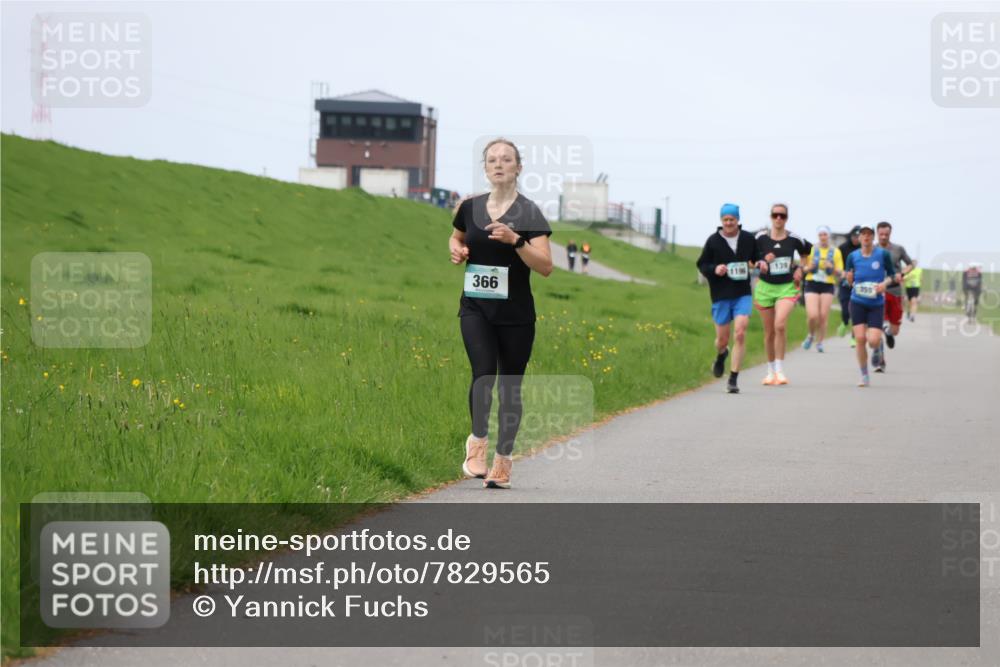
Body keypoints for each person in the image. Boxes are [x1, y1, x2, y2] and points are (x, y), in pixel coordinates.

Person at [449, 138, 553, 489]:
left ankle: (503, 460)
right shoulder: (469, 206)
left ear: (518, 168)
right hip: (475, 306)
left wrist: (516, 241)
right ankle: (476, 444)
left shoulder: (529, 213)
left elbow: (546, 266)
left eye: (506, 159)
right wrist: (458, 250)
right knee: (483, 375)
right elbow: (455, 237)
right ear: (485, 168)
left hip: (516, 314)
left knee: (510, 386)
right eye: (492, 159)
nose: (499, 164)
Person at [696, 203, 760, 394]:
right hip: (721, 295)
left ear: (738, 220)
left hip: (742, 293)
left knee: (740, 332)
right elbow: (702, 264)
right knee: (722, 340)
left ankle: (733, 379)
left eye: (732, 219)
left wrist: (761, 262)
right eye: (725, 219)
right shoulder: (713, 241)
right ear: (721, 221)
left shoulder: (748, 238)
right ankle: (722, 353)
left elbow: (757, 257)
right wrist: (714, 269)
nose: (729, 222)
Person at [754, 203, 812, 385]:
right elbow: (749, 259)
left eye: (782, 215)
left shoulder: (794, 238)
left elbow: (806, 254)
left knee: (780, 325)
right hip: (765, 287)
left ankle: (780, 371)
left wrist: (800, 270)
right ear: (771, 216)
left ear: (786, 218)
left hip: (786, 287)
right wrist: (762, 261)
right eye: (775, 215)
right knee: (769, 332)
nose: (778, 218)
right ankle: (770, 372)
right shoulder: (760, 238)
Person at [845, 225, 896, 387]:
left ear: (873, 238)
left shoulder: (883, 254)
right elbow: (849, 280)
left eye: (869, 235)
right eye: (863, 235)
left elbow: (892, 276)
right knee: (860, 339)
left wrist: (884, 284)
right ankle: (864, 374)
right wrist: (849, 278)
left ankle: (878, 348)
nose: (866, 237)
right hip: (857, 301)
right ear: (859, 238)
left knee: (872, 340)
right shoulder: (852, 256)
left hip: (876, 303)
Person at [874, 221, 913, 372]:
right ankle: (880, 361)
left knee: (894, 329)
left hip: (895, 292)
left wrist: (901, 273)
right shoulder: (872, 249)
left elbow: (910, 264)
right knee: (877, 327)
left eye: (886, 234)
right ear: (877, 233)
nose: (883, 237)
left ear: (890, 234)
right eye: (881, 234)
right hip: (878, 292)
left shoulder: (898, 249)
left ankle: (889, 332)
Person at [802, 225, 844, 353]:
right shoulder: (811, 249)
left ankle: (820, 342)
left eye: (825, 234)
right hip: (812, 282)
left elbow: (840, 272)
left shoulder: (836, 252)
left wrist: (832, 267)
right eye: (820, 235)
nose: (823, 237)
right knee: (812, 315)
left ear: (829, 236)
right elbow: (802, 268)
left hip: (827, 284)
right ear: (818, 236)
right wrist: (809, 267)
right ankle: (810, 335)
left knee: (823, 316)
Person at [836, 226, 861, 343]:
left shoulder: (864, 248)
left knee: (856, 311)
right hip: (845, 283)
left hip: (859, 283)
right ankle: (845, 322)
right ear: (850, 236)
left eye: (858, 236)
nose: (856, 239)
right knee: (846, 310)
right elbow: (837, 263)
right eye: (854, 236)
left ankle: (854, 337)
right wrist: (841, 272)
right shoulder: (842, 248)